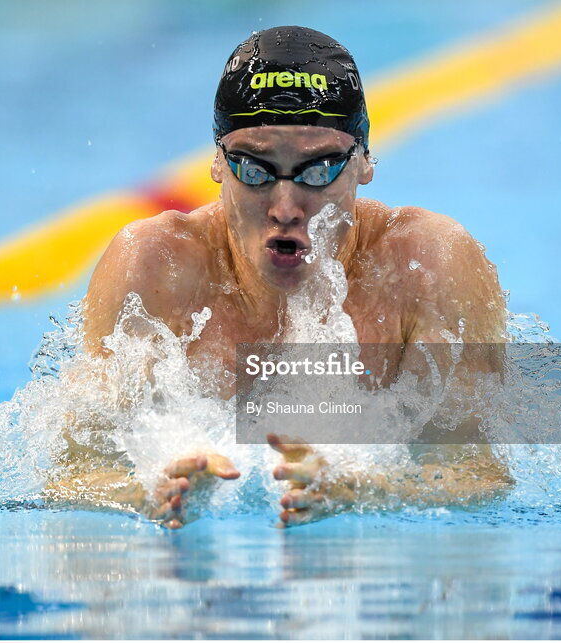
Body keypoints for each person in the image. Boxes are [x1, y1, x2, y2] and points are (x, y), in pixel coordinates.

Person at [46, 26, 511, 528]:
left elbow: (477, 475)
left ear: (364, 162)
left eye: (317, 171)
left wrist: (367, 491)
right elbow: (72, 475)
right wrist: (149, 491)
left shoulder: (428, 266)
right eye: (255, 170)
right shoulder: (155, 268)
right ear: (218, 164)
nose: (286, 208)